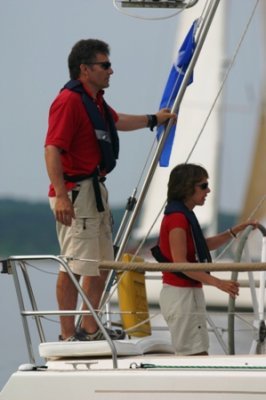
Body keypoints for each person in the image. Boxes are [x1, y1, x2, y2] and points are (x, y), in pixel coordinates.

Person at [44, 38, 176, 342]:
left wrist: (154, 120)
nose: (111, 71)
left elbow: (117, 122)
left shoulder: (96, 101)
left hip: (95, 191)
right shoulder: (69, 101)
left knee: (101, 263)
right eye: (105, 65)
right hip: (76, 193)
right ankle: (67, 335)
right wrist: (63, 195)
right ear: (85, 69)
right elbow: (52, 148)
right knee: (74, 263)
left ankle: (90, 329)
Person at [154, 163, 257, 356]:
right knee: (193, 354)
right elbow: (180, 263)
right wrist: (219, 283)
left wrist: (234, 231)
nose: (208, 190)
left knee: (196, 351)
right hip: (181, 296)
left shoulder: (183, 216)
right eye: (203, 186)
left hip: (187, 295)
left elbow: (202, 244)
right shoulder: (177, 218)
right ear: (186, 187)